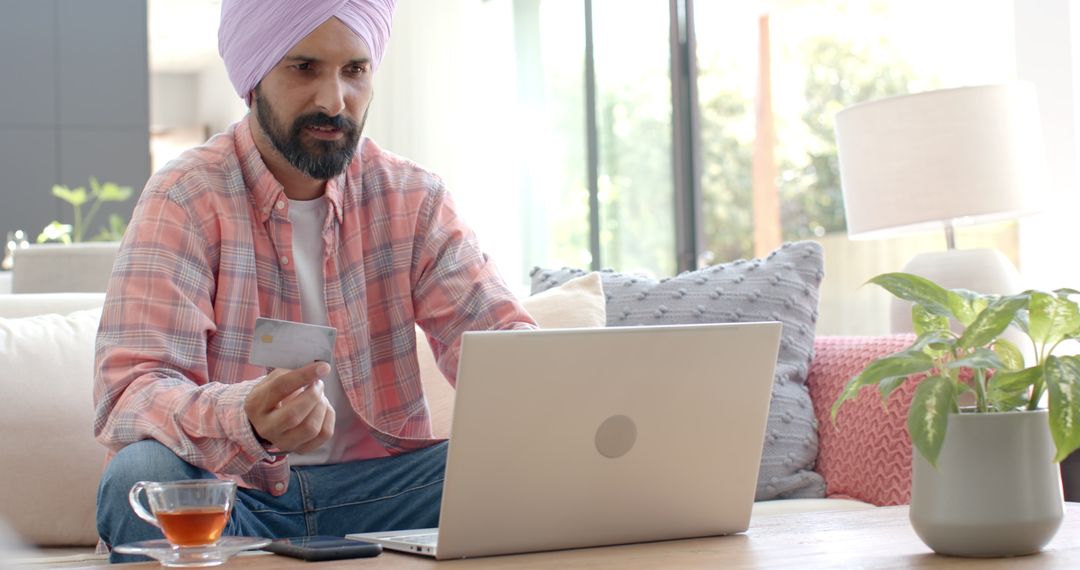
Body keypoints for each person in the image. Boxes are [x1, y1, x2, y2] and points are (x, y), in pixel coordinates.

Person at [93, 0, 535, 561]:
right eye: (304, 68)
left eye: (354, 70)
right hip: (235, 496)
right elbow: (130, 395)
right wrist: (245, 415)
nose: (334, 100)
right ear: (253, 79)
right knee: (142, 472)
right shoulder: (184, 196)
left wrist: (557, 393)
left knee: (513, 460)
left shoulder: (413, 198)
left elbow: (504, 349)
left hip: (385, 493)